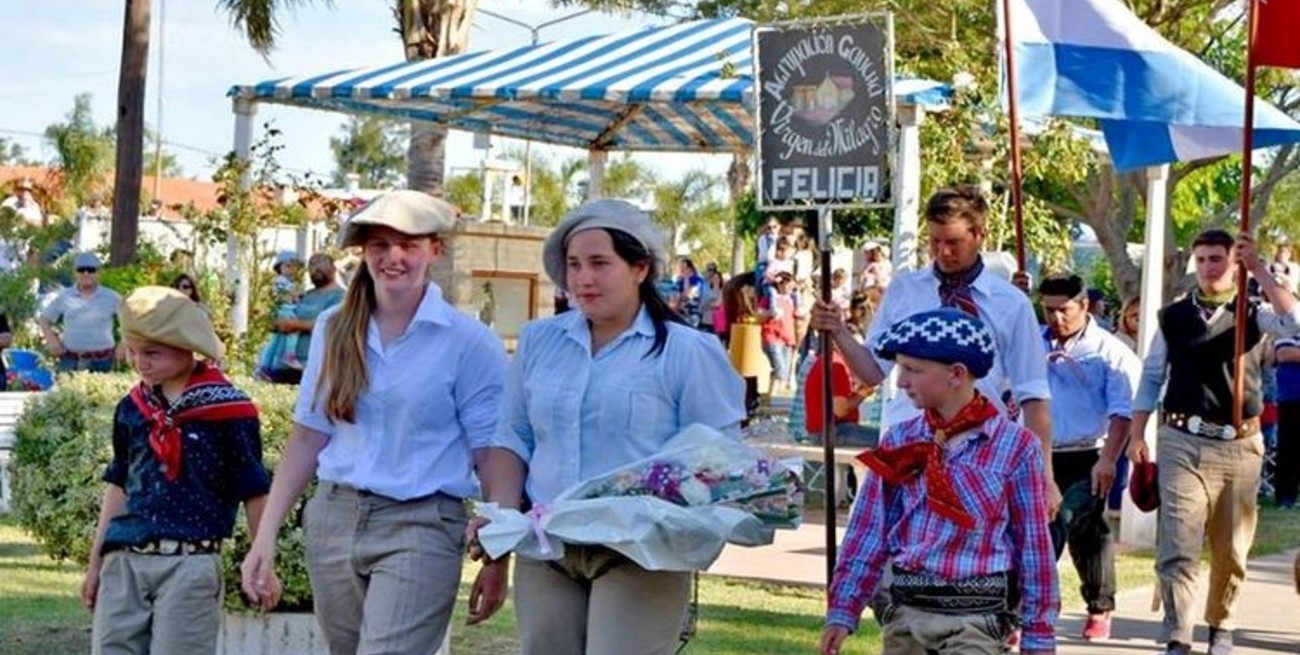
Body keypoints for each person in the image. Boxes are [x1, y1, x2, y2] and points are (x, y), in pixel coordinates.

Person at [239, 191, 514, 654]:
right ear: (363, 252)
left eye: (408, 244)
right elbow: (309, 436)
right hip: (334, 517)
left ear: (434, 250)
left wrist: (498, 552)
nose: (394, 257)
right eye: (379, 246)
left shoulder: (469, 342)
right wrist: (263, 537)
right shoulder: (333, 327)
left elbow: (490, 452)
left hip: (422, 522)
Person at [482, 199, 745, 655]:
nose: (583, 278)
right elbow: (512, 438)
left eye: (600, 264)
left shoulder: (689, 351)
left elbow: (718, 461)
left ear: (640, 267)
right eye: (574, 265)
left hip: (642, 552)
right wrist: (500, 522)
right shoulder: (539, 341)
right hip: (548, 548)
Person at [810, 185, 1059, 514]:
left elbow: (1033, 394)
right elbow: (872, 370)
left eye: (954, 242)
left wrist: (1044, 474)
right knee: (894, 551)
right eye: (935, 242)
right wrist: (838, 330)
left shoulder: (1010, 304)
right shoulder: (904, 290)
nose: (943, 252)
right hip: (908, 447)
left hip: (980, 452)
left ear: (980, 234)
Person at [821, 308, 1057, 655]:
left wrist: (1038, 636)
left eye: (913, 369)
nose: (901, 381)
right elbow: (868, 533)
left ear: (956, 374)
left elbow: (1033, 547)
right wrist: (842, 610)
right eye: (900, 367)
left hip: (978, 619)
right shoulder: (900, 441)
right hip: (907, 615)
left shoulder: (1015, 447)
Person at [1127, 229, 1300, 655]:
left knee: (1231, 549)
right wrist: (1137, 431)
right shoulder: (1173, 316)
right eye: (1201, 260)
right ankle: (1177, 634)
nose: (1208, 268)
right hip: (1181, 438)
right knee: (1179, 544)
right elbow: (1152, 376)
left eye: (1217, 259)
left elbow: (1296, 323)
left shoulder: (1255, 314)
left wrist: (1259, 268)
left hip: (1240, 445)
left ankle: (1221, 625)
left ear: (1234, 262)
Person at [83, 286, 274, 655]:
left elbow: (254, 487)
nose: (141, 363)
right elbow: (119, 484)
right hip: (124, 561)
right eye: (134, 352)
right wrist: (96, 565)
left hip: (190, 563)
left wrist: (263, 560)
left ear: (189, 348)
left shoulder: (231, 412)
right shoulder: (132, 408)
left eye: (152, 353)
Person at [1037, 274, 1140, 641]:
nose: (1056, 318)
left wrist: (1109, 459)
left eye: (1063, 309)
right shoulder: (1031, 343)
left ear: (1084, 306)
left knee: (1081, 525)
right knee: (1037, 531)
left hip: (1089, 454)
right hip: (1039, 454)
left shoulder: (1109, 351)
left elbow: (1123, 411)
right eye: (1048, 310)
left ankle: (1099, 606)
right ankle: (1036, 606)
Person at [259, 254, 346, 385]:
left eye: (321, 262)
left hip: (315, 365)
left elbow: (333, 324)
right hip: (283, 365)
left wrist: (294, 325)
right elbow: (281, 316)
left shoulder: (342, 296)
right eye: (311, 264)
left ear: (334, 268)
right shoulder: (305, 295)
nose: (315, 267)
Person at [39, 252, 122, 373]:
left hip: (103, 362)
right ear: (75, 273)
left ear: (99, 273)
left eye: (91, 269)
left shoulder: (112, 297)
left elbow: (130, 321)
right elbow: (44, 319)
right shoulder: (64, 296)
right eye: (81, 270)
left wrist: (124, 344)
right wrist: (51, 340)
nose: (86, 273)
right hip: (70, 361)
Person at [260, 251, 305, 372]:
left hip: (289, 309)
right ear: (279, 267)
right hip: (284, 310)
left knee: (276, 340)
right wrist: (295, 294)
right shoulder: (280, 281)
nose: (291, 269)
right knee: (293, 330)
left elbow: (297, 295)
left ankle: (265, 365)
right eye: (287, 266)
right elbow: (286, 296)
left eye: (294, 266)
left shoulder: (291, 282)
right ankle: (289, 355)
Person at [1272, 331, 1300, 509]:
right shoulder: (1288, 326)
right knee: (1288, 449)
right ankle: (1285, 497)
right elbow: (1283, 354)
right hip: (1292, 398)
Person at [759, 271, 797, 394]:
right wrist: (771, 313)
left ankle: (772, 397)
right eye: (783, 283)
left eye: (788, 284)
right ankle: (775, 399)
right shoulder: (770, 298)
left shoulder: (792, 300)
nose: (785, 286)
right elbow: (758, 315)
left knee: (783, 372)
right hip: (772, 337)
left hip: (787, 339)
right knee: (780, 369)